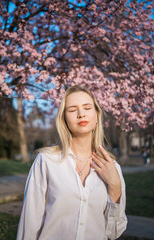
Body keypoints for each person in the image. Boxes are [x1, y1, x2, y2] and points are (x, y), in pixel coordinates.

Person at [17, 85, 127, 240]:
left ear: (96, 116)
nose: (81, 114)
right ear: (64, 119)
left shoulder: (113, 168)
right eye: (72, 109)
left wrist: (115, 187)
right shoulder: (46, 161)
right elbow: (29, 225)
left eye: (87, 108)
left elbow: (113, 233)